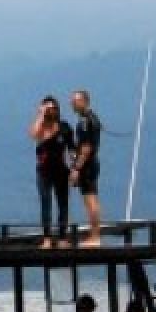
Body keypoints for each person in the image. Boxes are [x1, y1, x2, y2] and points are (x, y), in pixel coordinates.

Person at [29, 95, 75, 248]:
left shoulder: (64, 127)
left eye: (53, 108)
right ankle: (47, 237)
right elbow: (33, 135)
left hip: (61, 170)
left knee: (63, 204)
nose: (51, 111)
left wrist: (75, 169)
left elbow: (72, 150)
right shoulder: (41, 127)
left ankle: (62, 237)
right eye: (48, 108)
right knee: (45, 202)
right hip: (43, 172)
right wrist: (40, 115)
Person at [68, 89, 102, 246]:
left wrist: (76, 169)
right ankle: (94, 235)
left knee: (90, 200)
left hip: (87, 165)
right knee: (91, 198)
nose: (72, 104)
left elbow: (86, 148)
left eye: (75, 101)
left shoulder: (86, 122)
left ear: (85, 101)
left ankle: (95, 237)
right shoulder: (90, 119)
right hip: (91, 163)